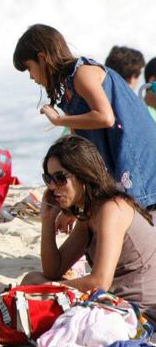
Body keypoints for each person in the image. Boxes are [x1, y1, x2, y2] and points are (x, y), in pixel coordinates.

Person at [14, 24, 156, 209]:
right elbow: (80, 144)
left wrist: (59, 120)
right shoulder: (68, 89)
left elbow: (105, 117)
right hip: (117, 157)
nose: (31, 77)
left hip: (136, 157)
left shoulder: (83, 73)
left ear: (42, 58)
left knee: (136, 211)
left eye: (29, 69)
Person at [21, 136, 156, 319]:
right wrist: (47, 219)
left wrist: (50, 288)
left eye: (60, 178)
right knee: (32, 280)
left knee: (34, 285)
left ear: (83, 174)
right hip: (113, 301)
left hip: (138, 311)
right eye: (48, 179)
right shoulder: (91, 212)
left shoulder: (112, 209)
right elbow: (53, 270)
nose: (52, 187)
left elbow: (99, 281)